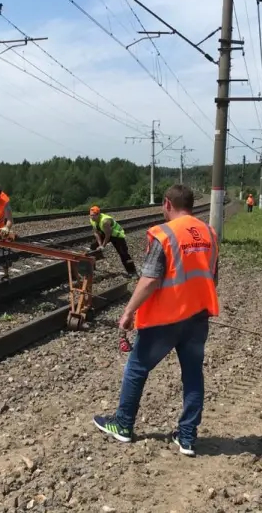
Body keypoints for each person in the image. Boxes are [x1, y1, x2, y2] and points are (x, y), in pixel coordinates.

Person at [92, 184, 220, 457]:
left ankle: (123, 425)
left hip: (166, 319)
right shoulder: (210, 233)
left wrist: (128, 312)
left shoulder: (165, 234)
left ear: (166, 204)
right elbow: (212, 277)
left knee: (137, 368)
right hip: (198, 319)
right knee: (193, 375)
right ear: (191, 204)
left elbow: (150, 280)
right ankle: (187, 437)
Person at [89, 206, 138, 278]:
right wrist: (99, 245)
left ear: (98, 214)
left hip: (116, 235)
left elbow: (108, 235)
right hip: (105, 233)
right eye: (91, 215)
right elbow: (96, 233)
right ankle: (92, 267)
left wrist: (103, 246)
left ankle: (133, 273)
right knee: (93, 246)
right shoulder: (92, 220)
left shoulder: (105, 221)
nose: (92, 217)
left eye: (94, 215)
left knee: (123, 254)